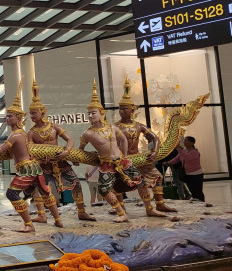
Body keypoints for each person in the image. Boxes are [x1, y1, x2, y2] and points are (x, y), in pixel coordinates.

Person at [0, 78, 62, 233]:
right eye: (6, 116)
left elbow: (0, 150)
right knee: (45, 192)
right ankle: (58, 220)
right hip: (33, 167)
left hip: (27, 168)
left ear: (19, 118)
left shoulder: (15, 135)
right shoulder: (24, 133)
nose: (7, 119)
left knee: (12, 193)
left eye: (10, 116)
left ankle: (29, 224)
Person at [79, 80, 165, 222]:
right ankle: (121, 213)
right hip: (107, 164)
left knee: (142, 182)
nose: (90, 116)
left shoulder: (112, 128)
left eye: (93, 113)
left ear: (102, 113)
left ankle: (151, 208)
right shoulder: (87, 133)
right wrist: (84, 158)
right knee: (105, 189)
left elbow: (124, 140)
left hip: (124, 161)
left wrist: (124, 156)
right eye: (88, 114)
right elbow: (80, 150)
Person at [27, 80, 95, 222]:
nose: (32, 116)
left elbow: (70, 140)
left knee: (76, 184)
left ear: (42, 112)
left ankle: (81, 211)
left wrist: (67, 151)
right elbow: (30, 151)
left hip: (61, 161)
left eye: (34, 113)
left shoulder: (54, 127)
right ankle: (41, 215)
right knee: (37, 188)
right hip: (43, 164)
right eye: (30, 114)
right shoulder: (31, 133)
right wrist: (39, 159)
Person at [117, 77, 177, 213]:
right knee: (117, 183)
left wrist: (155, 151)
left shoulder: (139, 126)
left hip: (139, 158)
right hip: (122, 160)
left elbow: (155, 138)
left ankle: (159, 204)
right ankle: (120, 207)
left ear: (132, 110)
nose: (122, 111)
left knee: (158, 177)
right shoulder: (115, 127)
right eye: (120, 109)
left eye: (125, 109)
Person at [167, 136, 204, 202]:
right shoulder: (184, 151)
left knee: (198, 191)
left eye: (187, 141)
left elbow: (187, 157)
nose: (185, 142)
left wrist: (178, 148)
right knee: (192, 190)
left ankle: (202, 202)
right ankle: (196, 202)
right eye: (184, 140)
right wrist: (168, 162)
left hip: (197, 174)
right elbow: (177, 159)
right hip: (187, 174)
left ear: (192, 143)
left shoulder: (195, 152)